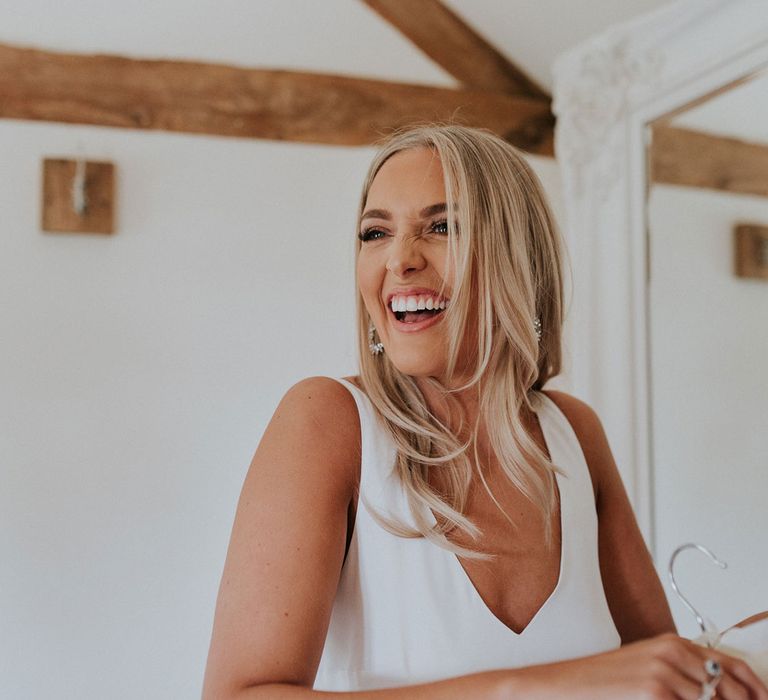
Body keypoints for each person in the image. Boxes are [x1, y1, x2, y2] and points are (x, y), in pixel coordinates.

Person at [202, 125, 768, 699]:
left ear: (516, 255)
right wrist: (524, 688)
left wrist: (739, 660)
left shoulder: (575, 434)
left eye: (442, 227)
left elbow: (660, 677)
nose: (399, 260)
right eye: (375, 233)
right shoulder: (328, 421)